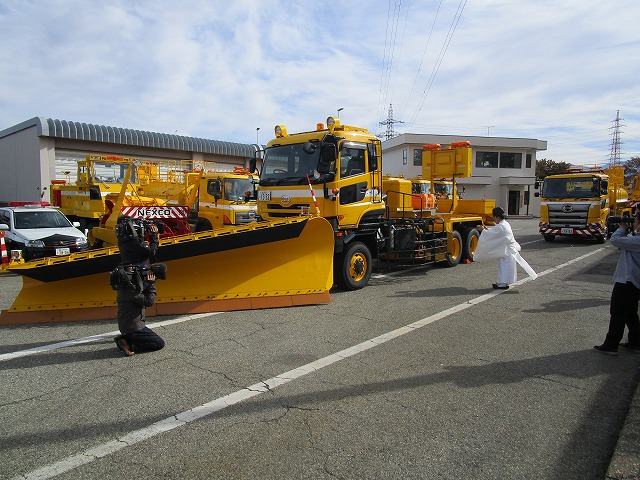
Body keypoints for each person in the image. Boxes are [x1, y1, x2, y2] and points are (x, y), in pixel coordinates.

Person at [112, 216, 165, 356]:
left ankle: (130, 334)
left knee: (133, 303)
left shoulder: (123, 239)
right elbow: (151, 251)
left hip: (133, 271)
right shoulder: (135, 241)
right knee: (158, 344)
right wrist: (154, 235)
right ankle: (130, 341)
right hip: (138, 273)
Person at [594, 212, 640, 355]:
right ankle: (635, 342)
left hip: (627, 281)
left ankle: (611, 345)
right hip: (634, 282)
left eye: (636, 220)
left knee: (617, 313)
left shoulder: (636, 241)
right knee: (630, 313)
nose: (635, 222)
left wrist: (622, 227)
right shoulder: (635, 238)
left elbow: (615, 240)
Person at [474, 207, 537, 289]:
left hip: (507, 250)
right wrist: (486, 230)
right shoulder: (505, 224)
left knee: (504, 267)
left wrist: (482, 229)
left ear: (497, 217)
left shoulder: (501, 226)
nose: (494, 219)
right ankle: (502, 283)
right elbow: (495, 232)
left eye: (494, 217)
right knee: (506, 267)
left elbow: (492, 234)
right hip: (509, 249)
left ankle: (502, 284)